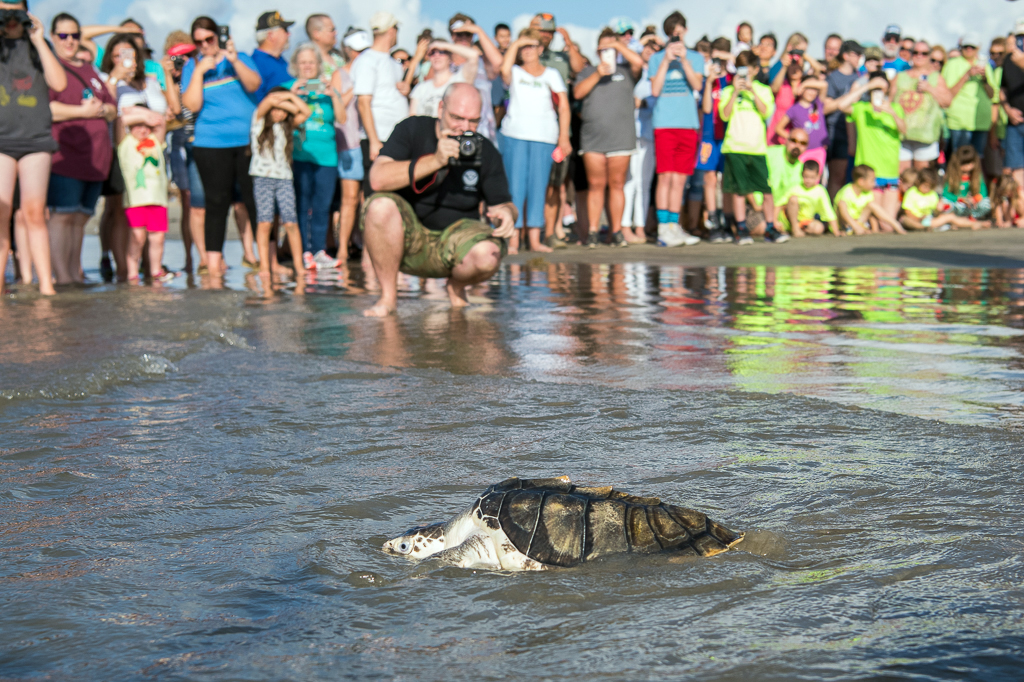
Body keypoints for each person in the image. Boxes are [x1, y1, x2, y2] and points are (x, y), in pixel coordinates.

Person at [362, 82, 517, 317]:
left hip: (456, 241)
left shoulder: (485, 150)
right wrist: (435, 160)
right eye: (457, 118)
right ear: (441, 108)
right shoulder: (412, 128)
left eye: (473, 121)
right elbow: (377, 179)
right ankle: (388, 298)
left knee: (489, 254)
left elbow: (503, 203)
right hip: (407, 238)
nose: (464, 127)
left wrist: (508, 214)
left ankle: (456, 286)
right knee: (379, 206)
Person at [181, 15, 262, 278]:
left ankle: (262, 259)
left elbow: (254, 84)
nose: (204, 45)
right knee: (216, 203)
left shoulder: (239, 58)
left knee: (251, 201)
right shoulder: (192, 67)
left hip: (247, 141)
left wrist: (234, 59)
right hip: (211, 143)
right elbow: (191, 106)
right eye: (198, 42)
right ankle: (214, 266)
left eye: (209, 39)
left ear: (218, 36)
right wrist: (201, 71)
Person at [0, 0, 65, 296]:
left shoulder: (39, 45)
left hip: (36, 140)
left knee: (34, 212)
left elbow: (59, 83)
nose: (10, 19)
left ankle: (47, 289)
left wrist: (39, 38)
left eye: (15, 12)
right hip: (1, 141)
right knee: (0, 215)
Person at [46, 12, 116, 285]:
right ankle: (61, 276)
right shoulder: (50, 68)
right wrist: (83, 112)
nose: (70, 41)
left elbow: (111, 107)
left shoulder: (90, 70)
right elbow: (47, 109)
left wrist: (102, 109)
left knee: (80, 219)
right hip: (65, 156)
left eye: (75, 35)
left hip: (95, 160)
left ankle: (75, 272)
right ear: (53, 38)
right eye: (63, 35)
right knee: (62, 217)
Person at [499, 28, 570, 254]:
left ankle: (534, 239)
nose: (527, 51)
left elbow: (564, 107)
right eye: (524, 47)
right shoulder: (515, 71)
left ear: (540, 48)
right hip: (515, 135)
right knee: (515, 188)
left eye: (532, 46)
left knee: (538, 188)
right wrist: (517, 42)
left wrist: (563, 136)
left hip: (545, 137)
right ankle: (512, 239)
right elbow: (503, 70)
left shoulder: (552, 75)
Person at [573, 28, 643, 248]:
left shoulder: (627, 70)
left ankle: (616, 231)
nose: (607, 51)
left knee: (617, 184)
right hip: (593, 138)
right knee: (595, 184)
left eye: (610, 47)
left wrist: (618, 46)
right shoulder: (587, 71)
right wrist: (598, 74)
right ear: (596, 50)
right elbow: (578, 93)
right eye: (603, 48)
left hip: (621, 137)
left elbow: (640, 63)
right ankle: (593, 231)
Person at [718, 50, 788, 244]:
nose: (744, 75)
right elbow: (724, 114)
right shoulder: (728, 90)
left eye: (747, 71)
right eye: (741, 70)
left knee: (766, 189)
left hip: (757, 148)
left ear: (756, 70)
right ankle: (741, 228)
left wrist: (752, 91)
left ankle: (771, 227)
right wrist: (735, 93)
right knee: (740, 191)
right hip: (734, 147)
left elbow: (766, 113)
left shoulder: (763, 90)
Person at [286, 44, 344, 270]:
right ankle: (302, 251)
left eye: (311, 62)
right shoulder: (287, 87)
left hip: (327, 157)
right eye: (303, 62)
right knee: (301, 204)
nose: (308, 66)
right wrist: (292, 94)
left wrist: (333, 95)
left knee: (322, 205)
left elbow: (342, 118)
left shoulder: (329, 90)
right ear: (295, 66)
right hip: (300, 154)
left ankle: (319, 250)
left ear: (319, 65)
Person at [649, 11, 704, 247]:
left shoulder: (695, 57)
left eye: (679, 32)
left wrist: (683, 61)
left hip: (688, 124)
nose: (676, 37)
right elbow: (654, 90)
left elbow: (697, 84)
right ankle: (663, 228)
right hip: (665, 124)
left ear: (685, 32)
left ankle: (674, 226)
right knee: (665, 176)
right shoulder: (656, 59)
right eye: (672, 33)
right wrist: (665, 60)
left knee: (681, 179)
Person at [249, 88, 309, 279]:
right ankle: (265, 267)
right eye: (276, 108)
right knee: (265, 222)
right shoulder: (258, 122)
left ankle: (299, 266)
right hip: (262, 177)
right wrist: (281, 99)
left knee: (291, 222)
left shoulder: (287, 126)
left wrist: (291, 96)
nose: (279, 112)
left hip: (284, 179)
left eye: (284, 110)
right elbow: (267, 102)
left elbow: (306, 112)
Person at [835, 73, 906, 221]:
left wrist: (891, 112)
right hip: (869, 175)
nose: (879, 90)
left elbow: (904, 130)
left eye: (882, 86)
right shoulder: (862, 109)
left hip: (890, 172)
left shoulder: (895, 108)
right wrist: (867, 85)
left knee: (886, 226)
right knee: (876, 223)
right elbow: (841, 105)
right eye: (876, 88)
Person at [118, 108, 172, 282]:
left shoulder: (155, 141)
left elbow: (162, 122)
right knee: (137, 238)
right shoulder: (125, 143)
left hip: (158, 199)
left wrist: (149, 118)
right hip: (136, 201)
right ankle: (132, 273)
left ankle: (156, 271)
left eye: (146, 126)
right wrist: (141, 115)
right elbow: (119, 122)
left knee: (158, 238)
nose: (143, 130)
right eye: (138, 126)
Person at [353, 11, 409, 163]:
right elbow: (363, 102)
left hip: (395, 137)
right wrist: (374, 141)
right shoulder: (367, 60)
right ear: (392, 30)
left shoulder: (393, 62)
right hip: (380, 138)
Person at [621, 34, 660, 244]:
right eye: (647, 47)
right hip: (631, 133)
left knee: (644, 184)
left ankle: (641, 226)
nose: (650, 50)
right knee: (630, 181)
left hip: (649, 134)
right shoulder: (633, 72)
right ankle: (625, 225)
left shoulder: (659, 73)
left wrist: (643, 104)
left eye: (655, 48)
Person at [891, 40, 951, 172]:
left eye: (924, 53)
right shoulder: (899, 77)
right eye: (915, 52)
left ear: (929, 56)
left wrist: (930, 89)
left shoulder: (936, 78)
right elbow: (889, 102)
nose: (919, 56)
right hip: (901, 135)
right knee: (903, 177)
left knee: (922, 178)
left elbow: (947, 102)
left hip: (925, 136)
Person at [335, 29, 368, 261]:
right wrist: (356, 86)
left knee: (367, 198)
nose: (360, 55)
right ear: (348, 51)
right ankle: (342, 249)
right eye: (357, 51)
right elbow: (339, 111)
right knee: (349, 198)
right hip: (348, 142)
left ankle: (366, 245)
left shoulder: (372, 71)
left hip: (368, 141)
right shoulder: (341, 74)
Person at [697, 37, 733, 242]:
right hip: (709, 136)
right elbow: (707, 108)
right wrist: (710, 81)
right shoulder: (707, 80)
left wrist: (730, 60)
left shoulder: (733, 78)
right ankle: (713, 222)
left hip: (729, 135)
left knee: (726, 181)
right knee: (709, 179)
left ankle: (728, 222)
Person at [446, 14, 503, 142]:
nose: (464, 38)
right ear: (452, 35)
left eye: (468, 34)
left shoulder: (482, 62)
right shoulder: (444, 61)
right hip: (453, 128)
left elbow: (498, 62)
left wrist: (478, 30)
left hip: (482, 129)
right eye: (459, 34)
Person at [942, 32, 996, 158]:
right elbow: (948, 94)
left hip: (980, 122)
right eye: (966, 46)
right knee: (960, 160)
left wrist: (984, 79)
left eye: (972, 47)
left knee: (978, 161)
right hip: (959, 122)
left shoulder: (985, 65)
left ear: (978, 48)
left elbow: (992, 95)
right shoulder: (952, 64)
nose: (969, 49)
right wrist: (967, 75)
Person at [824, 40, 863, 199]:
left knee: (851, 179)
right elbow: (826, 108)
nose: (859, 58)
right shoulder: (833, 78)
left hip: (855, 133)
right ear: (845, 55)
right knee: (836, 177)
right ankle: (831, 216)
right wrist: (850, 96)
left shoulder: (860, 78)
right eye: (856, 54)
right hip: (836, 133)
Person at [409, 40, 477, 117]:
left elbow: (473, 55)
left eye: (442, 52)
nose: (437, 56)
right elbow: (412, 120)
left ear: (450, 58)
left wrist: (444, 45)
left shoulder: (459, 80)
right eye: (432, 53)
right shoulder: (420, 88)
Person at [774, 76, 830, 170]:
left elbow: (824, 85)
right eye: (809, 89)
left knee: (815, 178)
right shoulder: (794, 109)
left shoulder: (818, 103)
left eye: (815, 89)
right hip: (803, 152)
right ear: (802, 90)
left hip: (819, 150)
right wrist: (794, 140)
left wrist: (804, 84)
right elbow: (778, 128)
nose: (812, 92)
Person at [835, 165, 903, 235]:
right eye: (872, 180)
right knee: (841, 204)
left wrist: (874, 229)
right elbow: (842, 212)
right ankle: (850, 228)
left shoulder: (867, 193)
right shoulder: (846, 192)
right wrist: (855, 226)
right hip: (844, 224)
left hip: (859, 222)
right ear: (861, 181)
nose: (874, 183)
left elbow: (872, 213)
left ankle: (895, 223)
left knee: (871, 204)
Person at [779, 160, 838, 237]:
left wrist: (836, 231)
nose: (808, 180)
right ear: (802, 175)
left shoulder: (820, 191)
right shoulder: (796, 188)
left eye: (812, 177)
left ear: (818, 177)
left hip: (805, 222)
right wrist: (774, 222)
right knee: (793, 199)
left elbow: (828, 210)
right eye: (806, 177)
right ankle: (794, 228)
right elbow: (779, 204)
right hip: (788, 222)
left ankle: (798, 229)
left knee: (819, 228)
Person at [901, 168, 972, 231]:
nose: (928, 189)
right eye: (925, 186)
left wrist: (939, 209)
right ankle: (924, 227)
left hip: (929, 220)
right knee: (904, 219)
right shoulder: (912, 192)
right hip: (915, 220)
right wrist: (918, 219)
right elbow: (907, 211)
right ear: (919, 182)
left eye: (930, 187)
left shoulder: (932, 194)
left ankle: (972, 223)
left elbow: (936, 212)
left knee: (950, 216)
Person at [941, 144, 991, 224]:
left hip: (972, 205)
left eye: (970, 163)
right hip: (958, 204)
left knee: (987, 203)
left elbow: (983, 192)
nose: (967, 166)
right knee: (944, 203)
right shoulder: (952, 175)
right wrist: (960, 199)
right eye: (963, 163)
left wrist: (974, 199)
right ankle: (956, 219)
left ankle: (971, 217)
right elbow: (945, 194)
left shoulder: (977, 175)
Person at [251, 11, 294, 102]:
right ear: (270, 35)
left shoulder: (281, 60)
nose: (289, 34)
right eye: (285, 30)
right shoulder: (255, 64)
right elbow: (258, 101)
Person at [305, 14, 344, 79]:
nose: (336, 33)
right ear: (316, 34)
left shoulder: (339, 56)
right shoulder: (309, 63)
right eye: (332, 30)